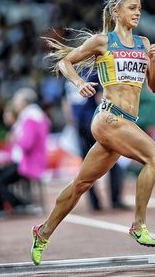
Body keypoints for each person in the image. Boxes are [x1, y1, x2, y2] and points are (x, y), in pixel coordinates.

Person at [31, 0, 155, 266]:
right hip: (108, 118)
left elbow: (154, 86)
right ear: (116, 12)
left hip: (126, 122)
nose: (137, 12)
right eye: (132, 8)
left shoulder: (143, 43)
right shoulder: (103, 41)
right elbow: (65, 62)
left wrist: (153, 62)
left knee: (81, 184)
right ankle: (139, 224)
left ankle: (42, 232)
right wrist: (80, 83)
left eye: (139, 8)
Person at [64, 75, 130, 211]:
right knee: (112, 159)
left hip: (80, 125)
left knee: (87, 165)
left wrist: (73, 121)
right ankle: (115, 199)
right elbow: (101, 97)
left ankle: (95, 203)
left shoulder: (69, 77)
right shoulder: (93, 73)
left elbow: (65, 103)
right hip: (94, 122)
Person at [0, 88, 50, 213]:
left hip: (29, 162)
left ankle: (20, 205)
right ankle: (6, 207)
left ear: (23, 103)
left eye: (17, 101)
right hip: (29, 160)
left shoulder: (30, 117)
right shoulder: (34, 115)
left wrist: (14, 139)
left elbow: (27, 144)